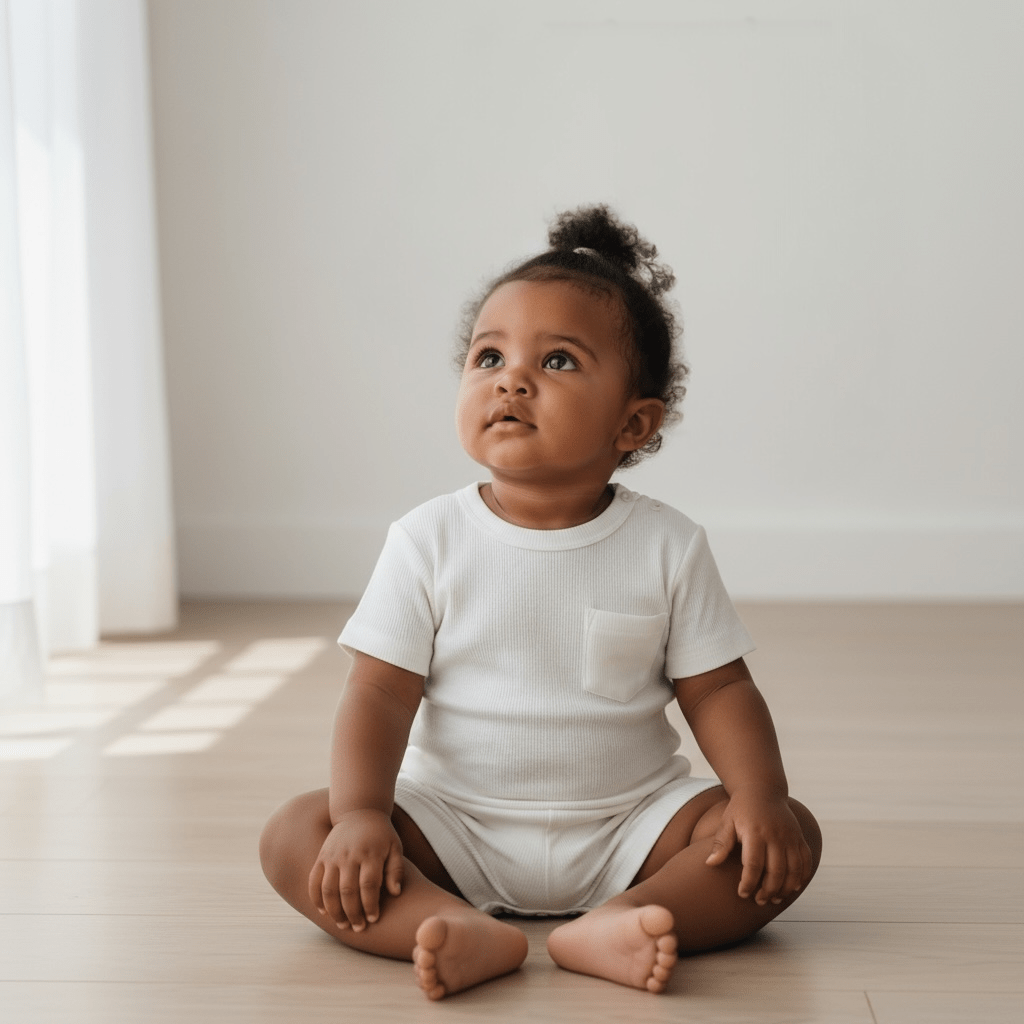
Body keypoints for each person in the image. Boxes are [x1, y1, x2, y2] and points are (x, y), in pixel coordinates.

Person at [259, 205, 822, 1001]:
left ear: (633, 423)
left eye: (557, 362)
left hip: (630, 824)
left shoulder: (667, 545)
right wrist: (360, 815)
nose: (511, 378)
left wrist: (758, 797)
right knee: (296, 834)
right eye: (488, 355)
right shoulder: (427, 539)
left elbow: (720, 689)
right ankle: (444, 925)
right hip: (451, 823)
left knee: (786, 834)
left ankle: (628, 917)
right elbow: (379, 693)